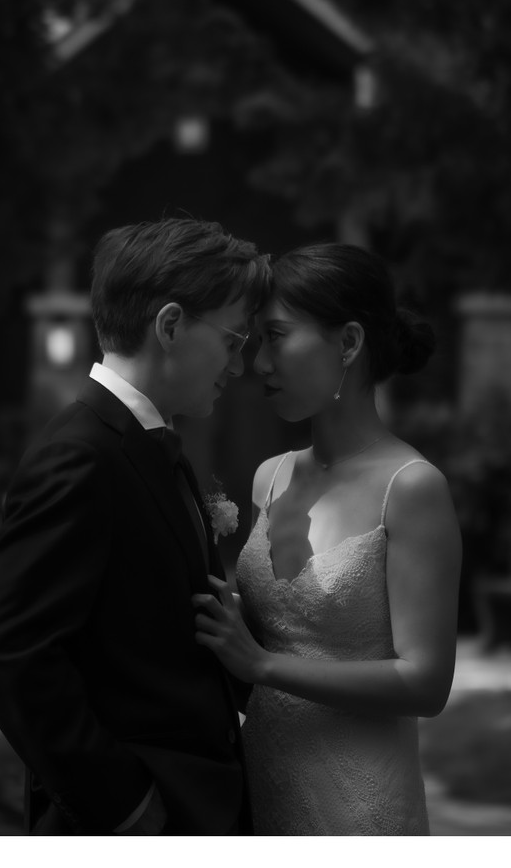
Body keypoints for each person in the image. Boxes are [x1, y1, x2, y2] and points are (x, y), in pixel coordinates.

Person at [0, 218, 270, 835]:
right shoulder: (80, 456)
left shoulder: (152, 445)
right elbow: (7, 652)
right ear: (172, 325)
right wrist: (129, 806)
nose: (238, 365)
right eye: (234, 340)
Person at [193, 242, 462, 835]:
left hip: (359, 808)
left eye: (277, 336)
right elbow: (267, 637)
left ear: (348, 343)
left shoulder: (411, 488)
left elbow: (426, 682)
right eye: (256, 340)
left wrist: (263, 665)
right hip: (263, 791)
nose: (258, 363)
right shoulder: (271, 476)